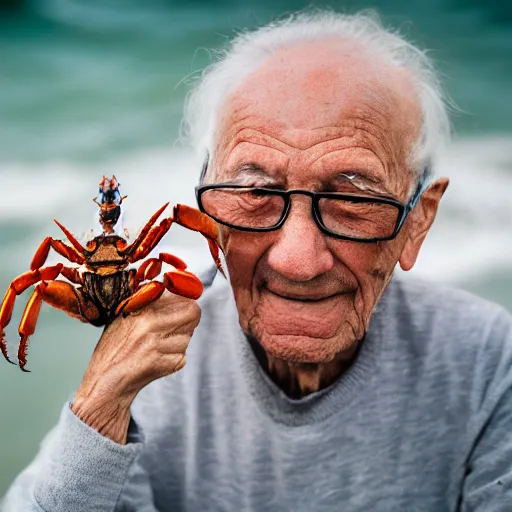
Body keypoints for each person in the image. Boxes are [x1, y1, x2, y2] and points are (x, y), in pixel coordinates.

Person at [2, 10, 512, 512]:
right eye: (255, 192)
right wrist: (98, 413)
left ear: (418, 221)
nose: (297, 260)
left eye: (354, 198)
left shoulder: (490, 363)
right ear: (208, 211)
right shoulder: (148, 366)